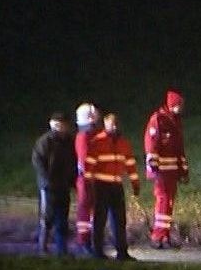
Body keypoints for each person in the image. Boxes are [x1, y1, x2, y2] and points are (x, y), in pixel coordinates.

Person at [83, 113, 140, 260]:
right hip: (101, 185)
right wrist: (88, 185)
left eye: (115, 124)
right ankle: (97, 252)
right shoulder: (97, 142)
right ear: (105, 124)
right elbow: (89, 166)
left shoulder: (123, 142)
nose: (114, 127)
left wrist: (135, 183)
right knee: (99, 220)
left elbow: (130, 164)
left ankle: (122, 252)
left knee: (119, 220)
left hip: (116, 185)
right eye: (111, 124)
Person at [142, 90, 187, 249]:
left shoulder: (175, 121)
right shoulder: (158, 120)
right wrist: (153, 166)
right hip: (161, 171)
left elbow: (179, 148)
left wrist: (183, 170)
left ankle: (164, 235)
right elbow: (152, 144)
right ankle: (157, 236)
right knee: (162, 202)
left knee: (168, 204)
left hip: (172, 172)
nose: (180, 108)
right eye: (178, 105)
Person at [31, 113, 76, 255]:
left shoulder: (69, 141)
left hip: (64, 185)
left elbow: (73, 161)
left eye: (62, 124)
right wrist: (45, 179)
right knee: (46, 218)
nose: (60, 127)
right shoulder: (45, 141)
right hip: (48, 186)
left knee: (62, 219)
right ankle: (42, 248)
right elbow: (37, 160)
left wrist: (72, 180)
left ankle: (62, 249)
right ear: (51, 124)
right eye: (56, 124)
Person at [72, 103, 99, 252]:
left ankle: (90, 240)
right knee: (84, 209)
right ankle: (83, 241)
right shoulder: (83, 137)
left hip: (92, 178)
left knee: (92, 210)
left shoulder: (90, 136)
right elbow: (84, 160)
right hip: (86, 179)